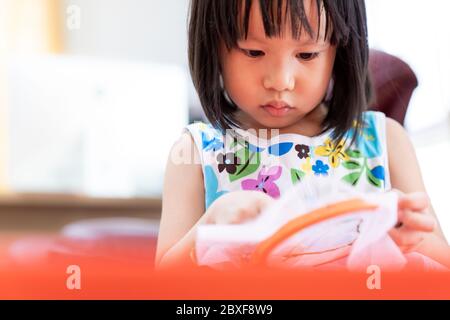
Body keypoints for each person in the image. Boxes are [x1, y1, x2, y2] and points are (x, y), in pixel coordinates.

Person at [155, 0, 450, 270]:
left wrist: (408, 234)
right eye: (253, 51)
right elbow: (164, 283)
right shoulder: (195, 152)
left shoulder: (385, 139)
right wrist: (211, 226)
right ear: (213, 45)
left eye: (307, 54)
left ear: (340, 50)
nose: (280, 80)